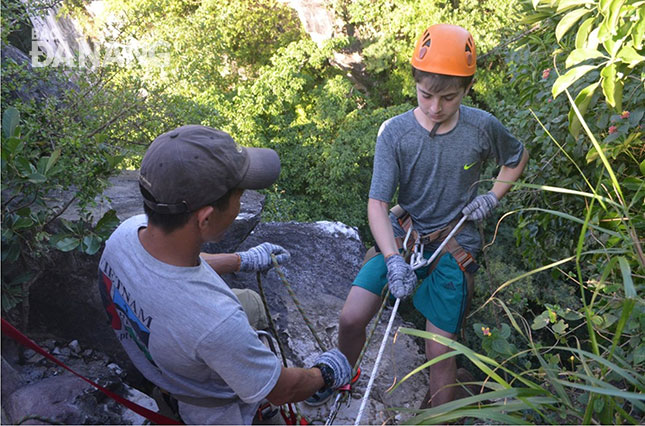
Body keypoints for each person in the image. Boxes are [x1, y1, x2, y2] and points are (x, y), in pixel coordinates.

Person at [306, 24, 529, 408]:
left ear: (467, 90)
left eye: (449, 97)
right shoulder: (395, 133)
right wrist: (392, 260)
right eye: (426, 95)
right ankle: (344, 372)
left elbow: (517, 156)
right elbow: (377, 203)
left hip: (454, 245)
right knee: (351, 317)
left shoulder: (480, 127)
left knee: (438, 357)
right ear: (415, 83)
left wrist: (492, 197)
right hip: (404, 236)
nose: (435, 108)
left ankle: (439, 416)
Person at [97, 125, 351, 424]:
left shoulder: (126, 234)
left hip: (167, 362)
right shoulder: (216, 321)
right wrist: (324, 373)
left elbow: (174, 267)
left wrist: (241, 260)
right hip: (214, 411)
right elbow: (282, 390)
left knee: (252, 304)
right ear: (205, 218)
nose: (240, 205)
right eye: (239, 196)